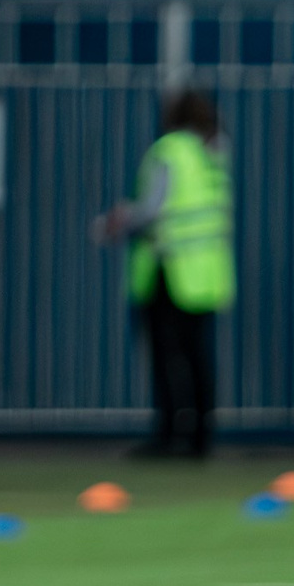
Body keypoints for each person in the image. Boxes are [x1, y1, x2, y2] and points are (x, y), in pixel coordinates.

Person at [94, 89, 234, 458]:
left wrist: (119, 219)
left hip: (170, 269)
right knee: (198, 356)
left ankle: (170, 435)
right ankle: (201, 438)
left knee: (166, 357)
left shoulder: (170, 151)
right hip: (206, 271)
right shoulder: (215, 153)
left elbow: (152, 210)